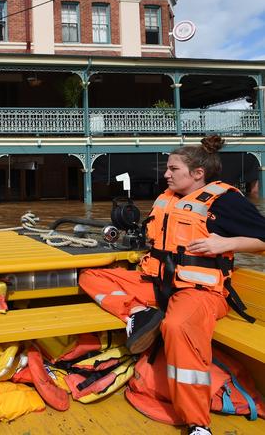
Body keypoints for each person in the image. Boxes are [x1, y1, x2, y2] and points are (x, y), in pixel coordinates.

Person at [79, 135, 265, 435]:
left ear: (197, 173)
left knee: (177, 328)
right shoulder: (168, 197)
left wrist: (227, 242)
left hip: (199, 291)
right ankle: (138, 313)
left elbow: (263, 238)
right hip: (156, 282)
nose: (166, 174)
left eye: (172, 168)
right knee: (90, 275)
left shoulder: (225, 200)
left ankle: (197, 424)